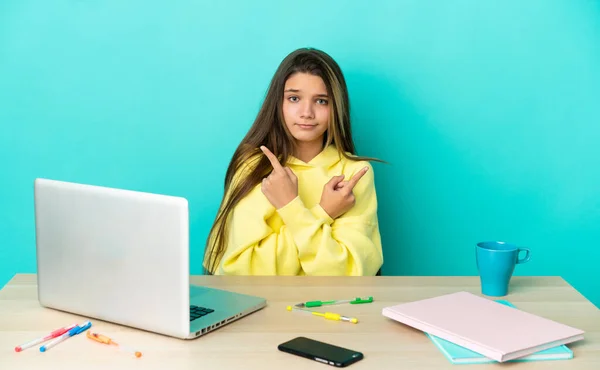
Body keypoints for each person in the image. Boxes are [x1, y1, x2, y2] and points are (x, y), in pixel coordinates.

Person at [203, 47, 383, 276]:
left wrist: (290, 208)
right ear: (278, 103)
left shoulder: (355, 173)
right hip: (262, 308)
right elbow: (240, 271)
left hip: (330, 308)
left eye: (321, 101)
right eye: (294, 98)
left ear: (336, 107)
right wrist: (324, 212)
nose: (306, 112)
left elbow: (348, 273)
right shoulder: (253, 167)